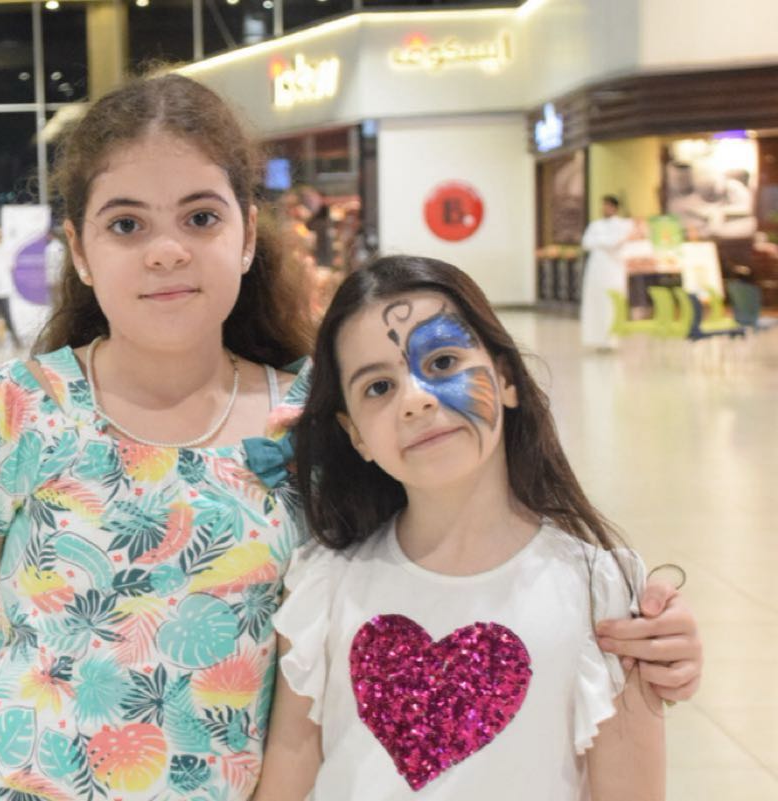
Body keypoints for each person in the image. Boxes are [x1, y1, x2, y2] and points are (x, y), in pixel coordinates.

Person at [0, 75, 702, 801]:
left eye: (201, 217)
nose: (167, 250)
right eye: (126, 224)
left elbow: (453, 542)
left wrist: (642, 633)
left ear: (247, 235)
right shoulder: (13, 411)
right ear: (79, 249)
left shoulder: (314, 421)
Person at [254, 256, 666, 801]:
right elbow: (290, 767)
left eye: (443, 362)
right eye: (378, 387)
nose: (416, 399)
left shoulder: (602, 592)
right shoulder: (324, 585)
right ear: (355, 436)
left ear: (506, 378)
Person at [580, 195, 636, 351]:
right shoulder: (595, 225)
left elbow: (615, 243)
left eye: (607, 205)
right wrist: (605, 242)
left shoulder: (623, 225)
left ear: (614, 207)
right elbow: (586, 243)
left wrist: (600, 242)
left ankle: (612, 340)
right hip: (595, 269)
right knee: (595, 302)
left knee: (612, 302)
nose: (604, 208)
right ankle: (595, 339)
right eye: (603, 205)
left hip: (613, 269)